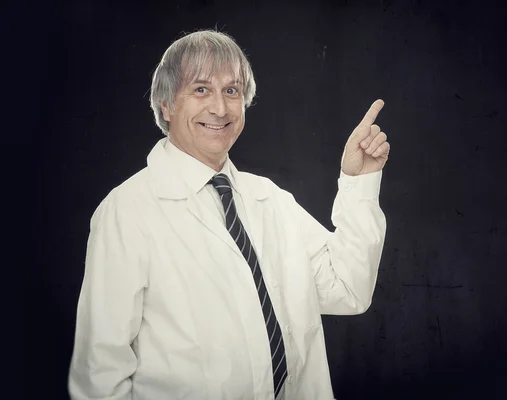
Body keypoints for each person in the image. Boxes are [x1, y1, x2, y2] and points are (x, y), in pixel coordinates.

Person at [68, 29, 389, 400]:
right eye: (201, 89)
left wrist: (358, 181)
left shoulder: (269, 199)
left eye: (232, 91)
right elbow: (100, 373)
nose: (220, 109)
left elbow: (349, 289)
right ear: (166, 104)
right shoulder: (126, 212)